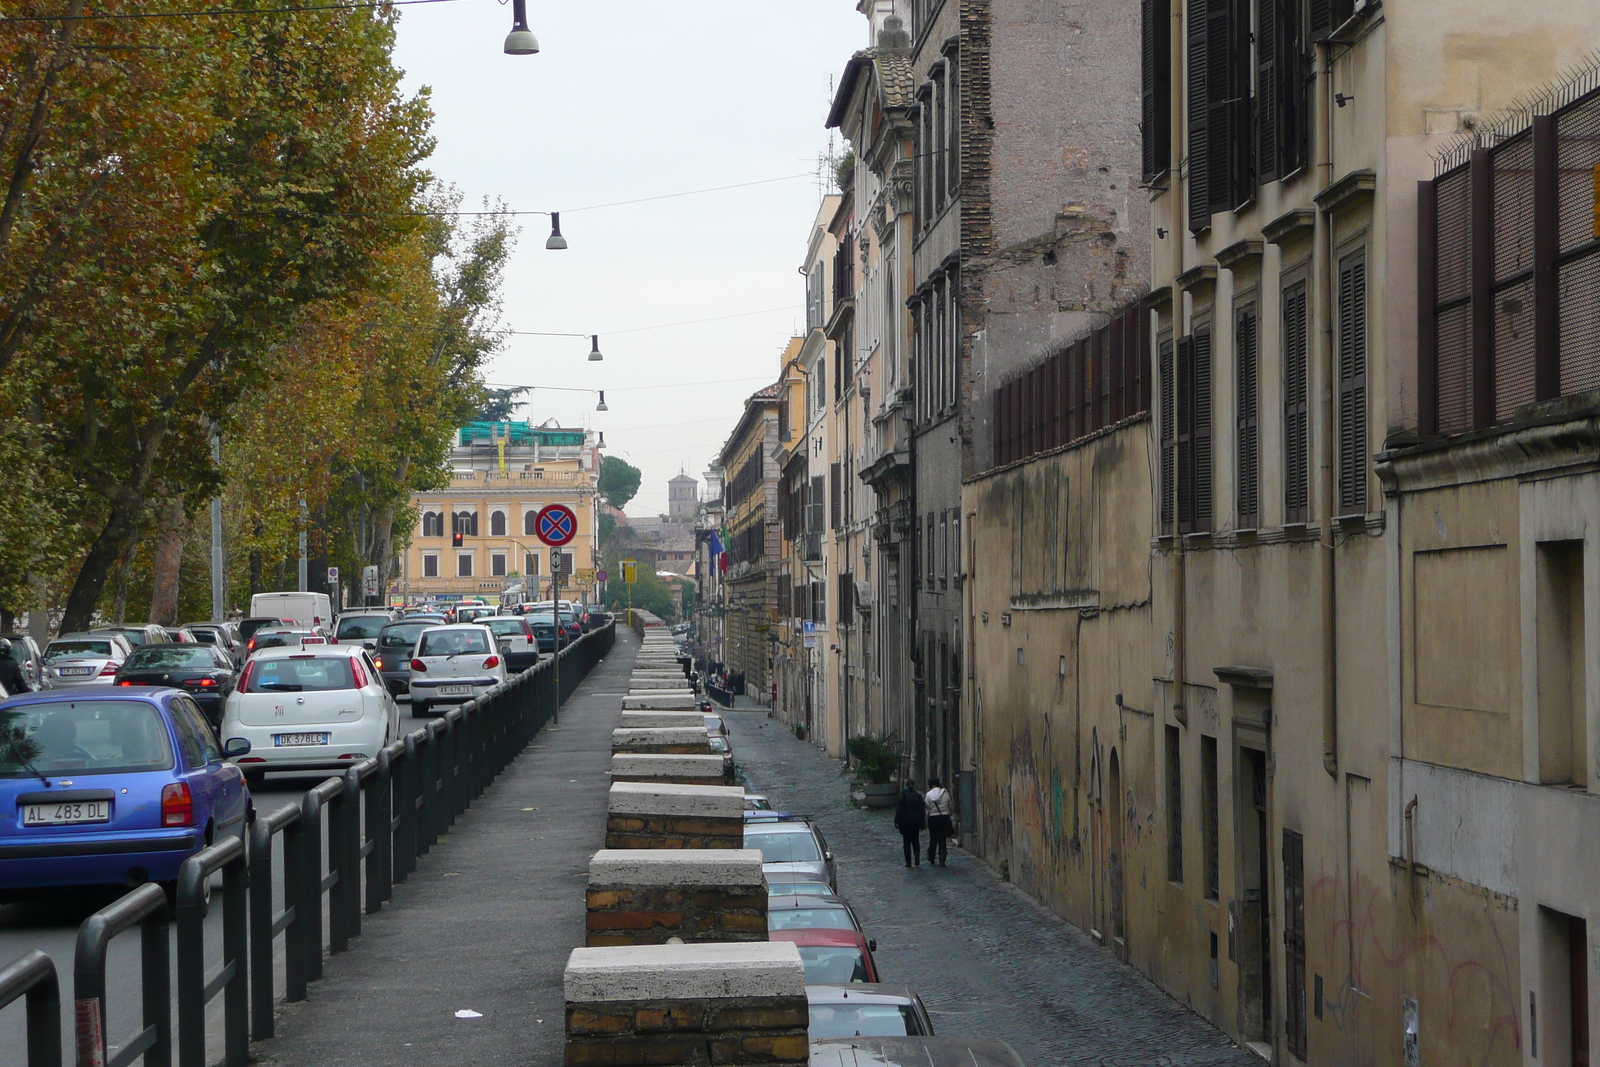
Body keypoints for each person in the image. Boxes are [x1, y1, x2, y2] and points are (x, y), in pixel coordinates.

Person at [894, 779, 925, 868]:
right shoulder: (918, 796)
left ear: (906, 785)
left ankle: (908, 862)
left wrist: (896, 821)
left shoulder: (902, 795)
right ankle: (917, 856)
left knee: (906, 842)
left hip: (905, 823)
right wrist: (922, 823)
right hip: (915, 822)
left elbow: (899, 810)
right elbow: (922, 811)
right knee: (915, 840)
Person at [925, 776, 953, 868]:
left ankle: (932, 856)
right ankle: (942, 858)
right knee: (942, 838)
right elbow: (951, 805)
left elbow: (927, 807)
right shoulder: (945, 792)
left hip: (933, 818)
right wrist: (949, 814)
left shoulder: (929, 794)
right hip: (944, 817)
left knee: (933, 838)